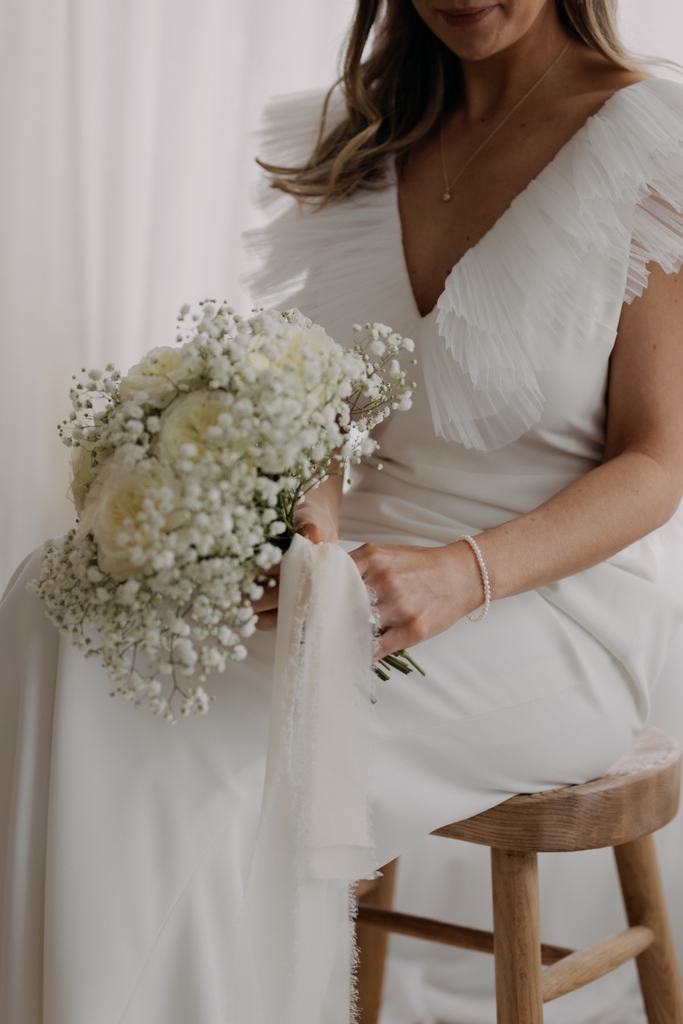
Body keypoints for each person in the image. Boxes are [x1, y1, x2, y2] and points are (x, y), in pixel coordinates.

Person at [2, 0, 683, 1021]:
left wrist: (463, 572)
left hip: (547, 610)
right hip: (353, 575)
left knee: (189, 759)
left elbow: (658, 459)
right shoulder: (361, 137)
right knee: (56, 614)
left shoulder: (644, 140)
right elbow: (316, 400)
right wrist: (303, 526)